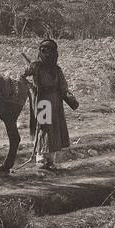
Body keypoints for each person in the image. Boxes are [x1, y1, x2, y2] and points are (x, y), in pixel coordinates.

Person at [21, 39, 78, 170]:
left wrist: (71, 100)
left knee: (54, 129)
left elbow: (63, 88)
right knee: (43, 128)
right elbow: (22, 76)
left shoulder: (57, 70)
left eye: (50, 52)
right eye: (45, 51)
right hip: (43, 102)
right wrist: (32, 88)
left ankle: (50, 159)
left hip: (56, 103)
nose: (48, 54)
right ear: (41, 52)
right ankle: (40, 157)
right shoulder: (35, 66)